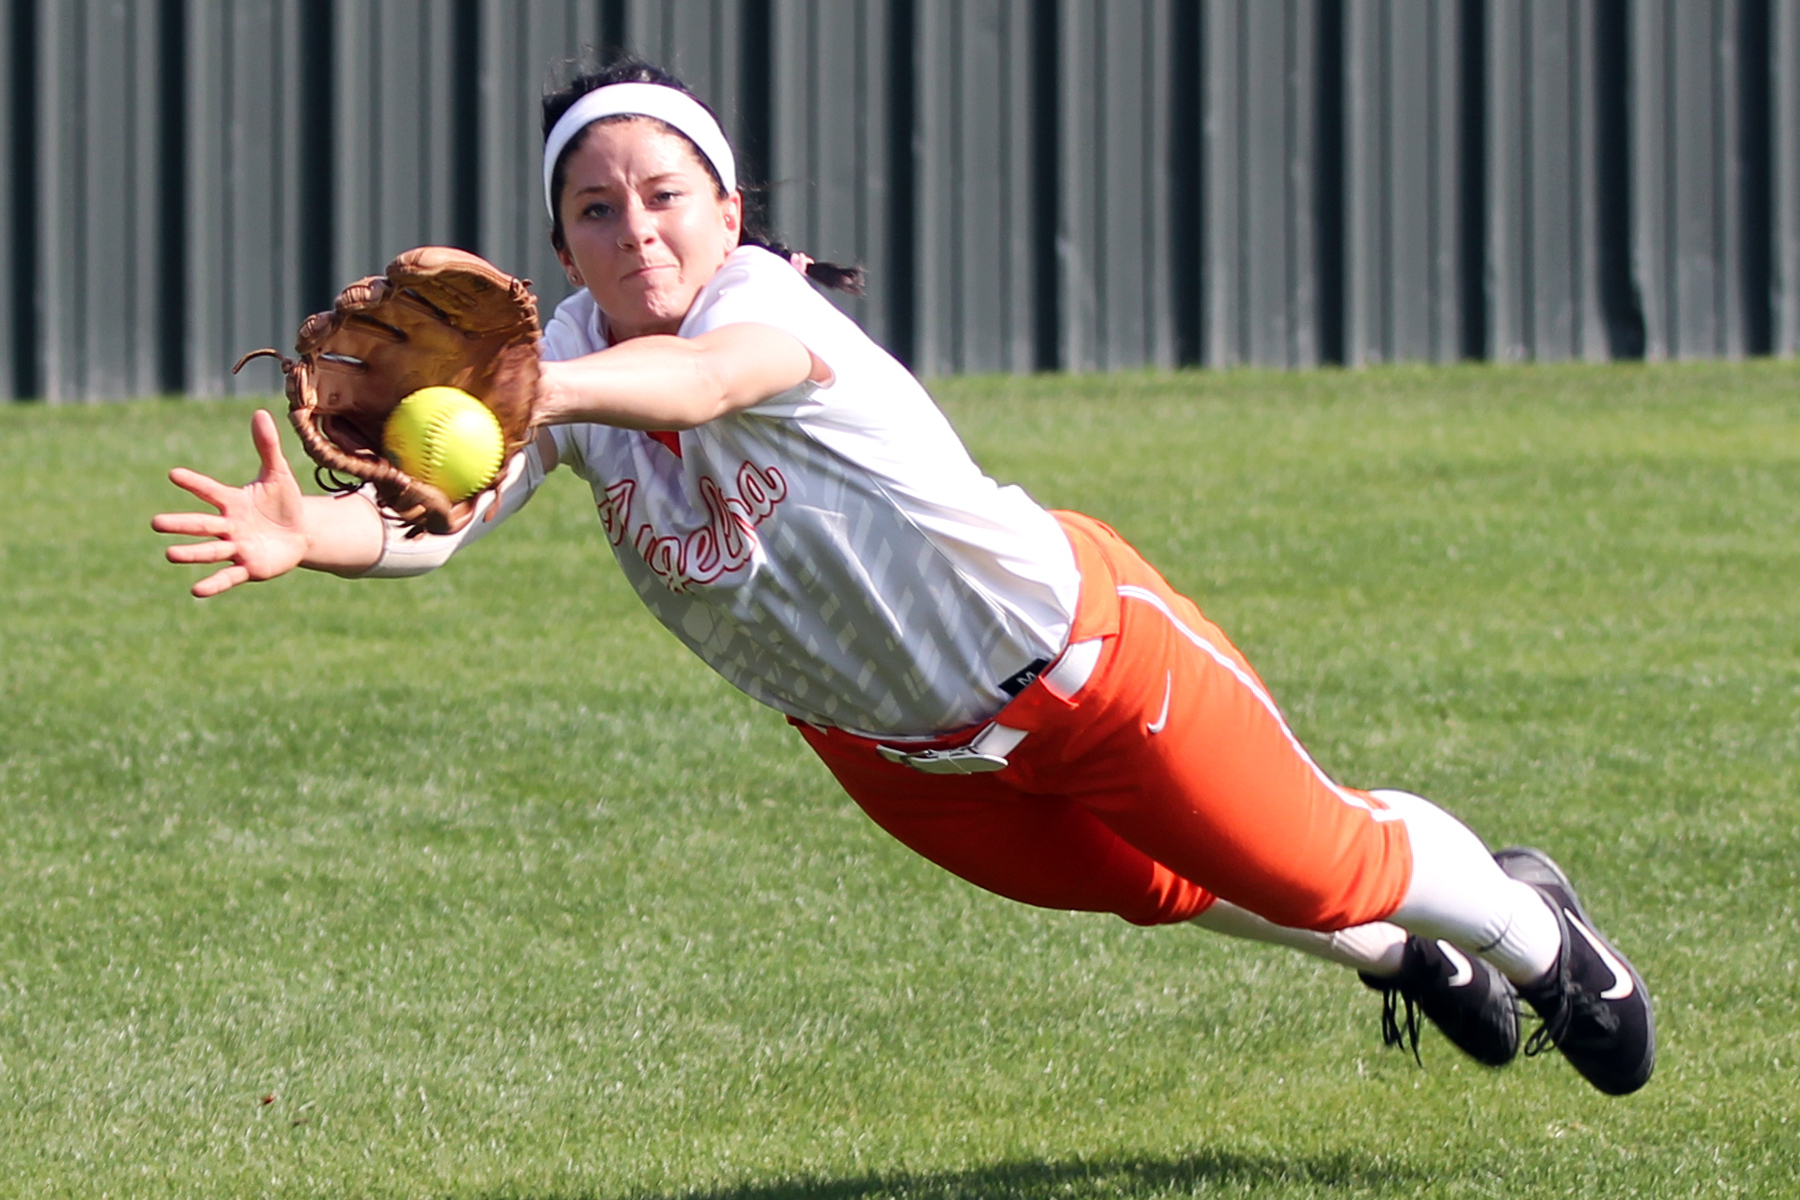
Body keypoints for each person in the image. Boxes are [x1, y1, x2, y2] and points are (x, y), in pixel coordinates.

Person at [153, 59, 1654, 1095]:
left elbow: (697, 385)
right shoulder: (556, 374)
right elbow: (436, 525)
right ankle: (1393, 956)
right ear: (560, 242)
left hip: (1082, 661)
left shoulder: (758, 315)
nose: (638, 228)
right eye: (597, 210)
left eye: (666, 194)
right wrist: (314, 537)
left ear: (728, 212)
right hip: (900, 759)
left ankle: (1537, 933)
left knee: (1315, 856)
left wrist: (535, 399)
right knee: (1161, 893)